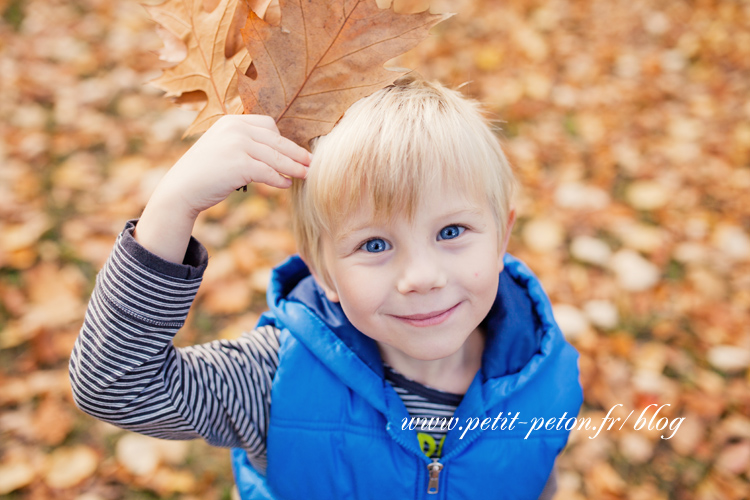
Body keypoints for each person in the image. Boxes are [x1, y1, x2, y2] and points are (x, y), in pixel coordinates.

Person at [70, 75, 583, 499]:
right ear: (323, 270)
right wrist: (171, 207)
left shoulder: (544, 371)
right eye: (375, 245)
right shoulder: (274, 382)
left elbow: (533, 477)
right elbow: (114, 385)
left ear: (502, 238)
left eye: (451, 232)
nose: (421, 277)